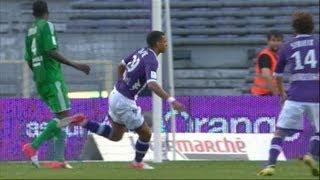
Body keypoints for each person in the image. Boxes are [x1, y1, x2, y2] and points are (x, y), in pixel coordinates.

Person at [71, 31, 184, 169]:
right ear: (157, 43)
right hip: (125, 100)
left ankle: (83, 122)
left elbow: (120, 65)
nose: (166, 44)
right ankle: (137, 162)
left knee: (116, 135)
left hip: (115, 94)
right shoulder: (152, 60)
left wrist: (122, 81)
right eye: (164, 41)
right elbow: (151, 84)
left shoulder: (142, 51)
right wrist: (171, 100)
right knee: (146, 134)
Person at [22, 0, 90, 168]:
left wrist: (39, 75)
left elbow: (29, 60)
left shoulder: (30, 31)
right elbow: (50, 51)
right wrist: (76, 65)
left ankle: (59, 160)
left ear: (33, 13)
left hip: (41, 80)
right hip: (53, 79)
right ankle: (33, 146)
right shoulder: (47, 25)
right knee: (66, 117)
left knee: (60, 117)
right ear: (47, 12)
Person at [258, 12, 319, 176]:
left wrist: (283, 93)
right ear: (312, 27)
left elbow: (277, 75)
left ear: (294, 28)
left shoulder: (288, 46)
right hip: (316, 96)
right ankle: (311, 155)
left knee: (280, 132)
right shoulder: (318, 42)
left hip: (295, 96)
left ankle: (270, 165)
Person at [251, 30, 283, 96]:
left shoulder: (274, 55)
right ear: (268, 41)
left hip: (266, 93)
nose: (276, 43)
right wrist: (276, 94)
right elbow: (266, 76)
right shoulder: (265, 56)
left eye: (278, 40)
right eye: (273, 40)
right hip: (262, 94)